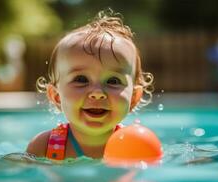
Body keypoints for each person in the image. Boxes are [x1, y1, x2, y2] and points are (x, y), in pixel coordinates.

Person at [26, 9, 154, 160]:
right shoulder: (44, 146)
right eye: (81, 79)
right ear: (56, 96)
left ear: (134, 98)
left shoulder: (135, 145)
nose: (97, 92)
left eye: (113, 81)